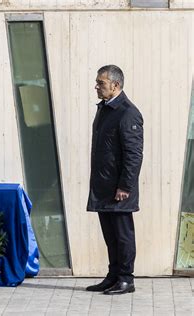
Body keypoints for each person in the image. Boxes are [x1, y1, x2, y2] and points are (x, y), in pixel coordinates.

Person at [86, 65, 143, 295]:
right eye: (97, 82)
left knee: (122, 235)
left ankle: (126, 279)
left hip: (118, 189)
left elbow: (134, 154)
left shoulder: (127, 112)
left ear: (115, 85)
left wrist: (125, 186)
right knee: (110, 236)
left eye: (101, 83)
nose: (97, 86)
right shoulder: (105, 109)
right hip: (103, 186)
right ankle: (113, 276)